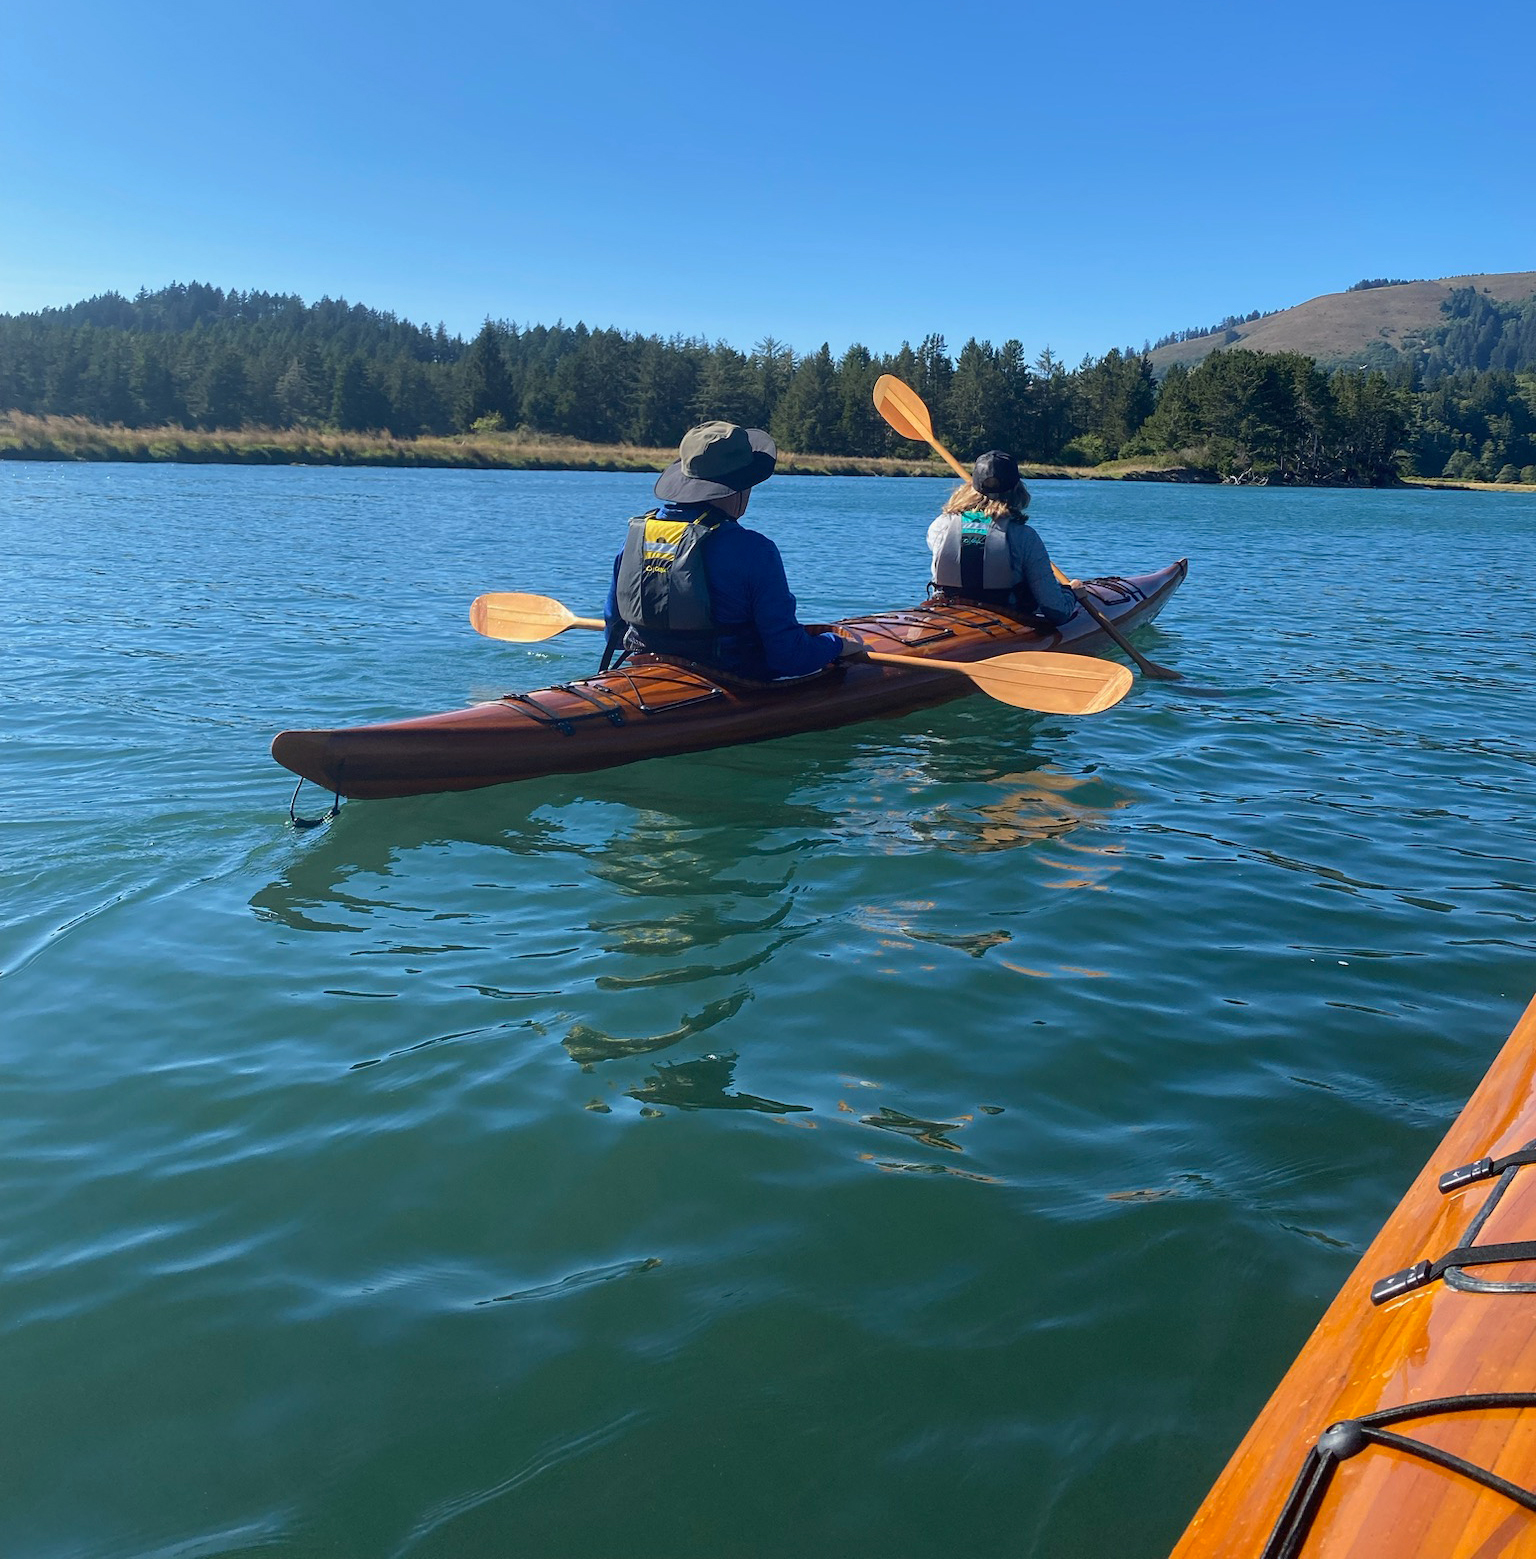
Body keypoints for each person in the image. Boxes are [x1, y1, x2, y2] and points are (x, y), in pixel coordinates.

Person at [603, 421, 851, 680]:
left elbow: (616, 635)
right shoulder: (755, 550)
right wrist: (837, 644)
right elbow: (789, 658)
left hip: (648, 673)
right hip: (728, 679)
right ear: (738, 487)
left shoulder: (636, 538)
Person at [927, 450, 1080, 625]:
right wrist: (1071, 592)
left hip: (946, 614)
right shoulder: (1024, 537)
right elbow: (1056, 610)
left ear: (971, 486)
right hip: (1005, 617)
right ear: (1017, 489)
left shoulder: (939, 526)